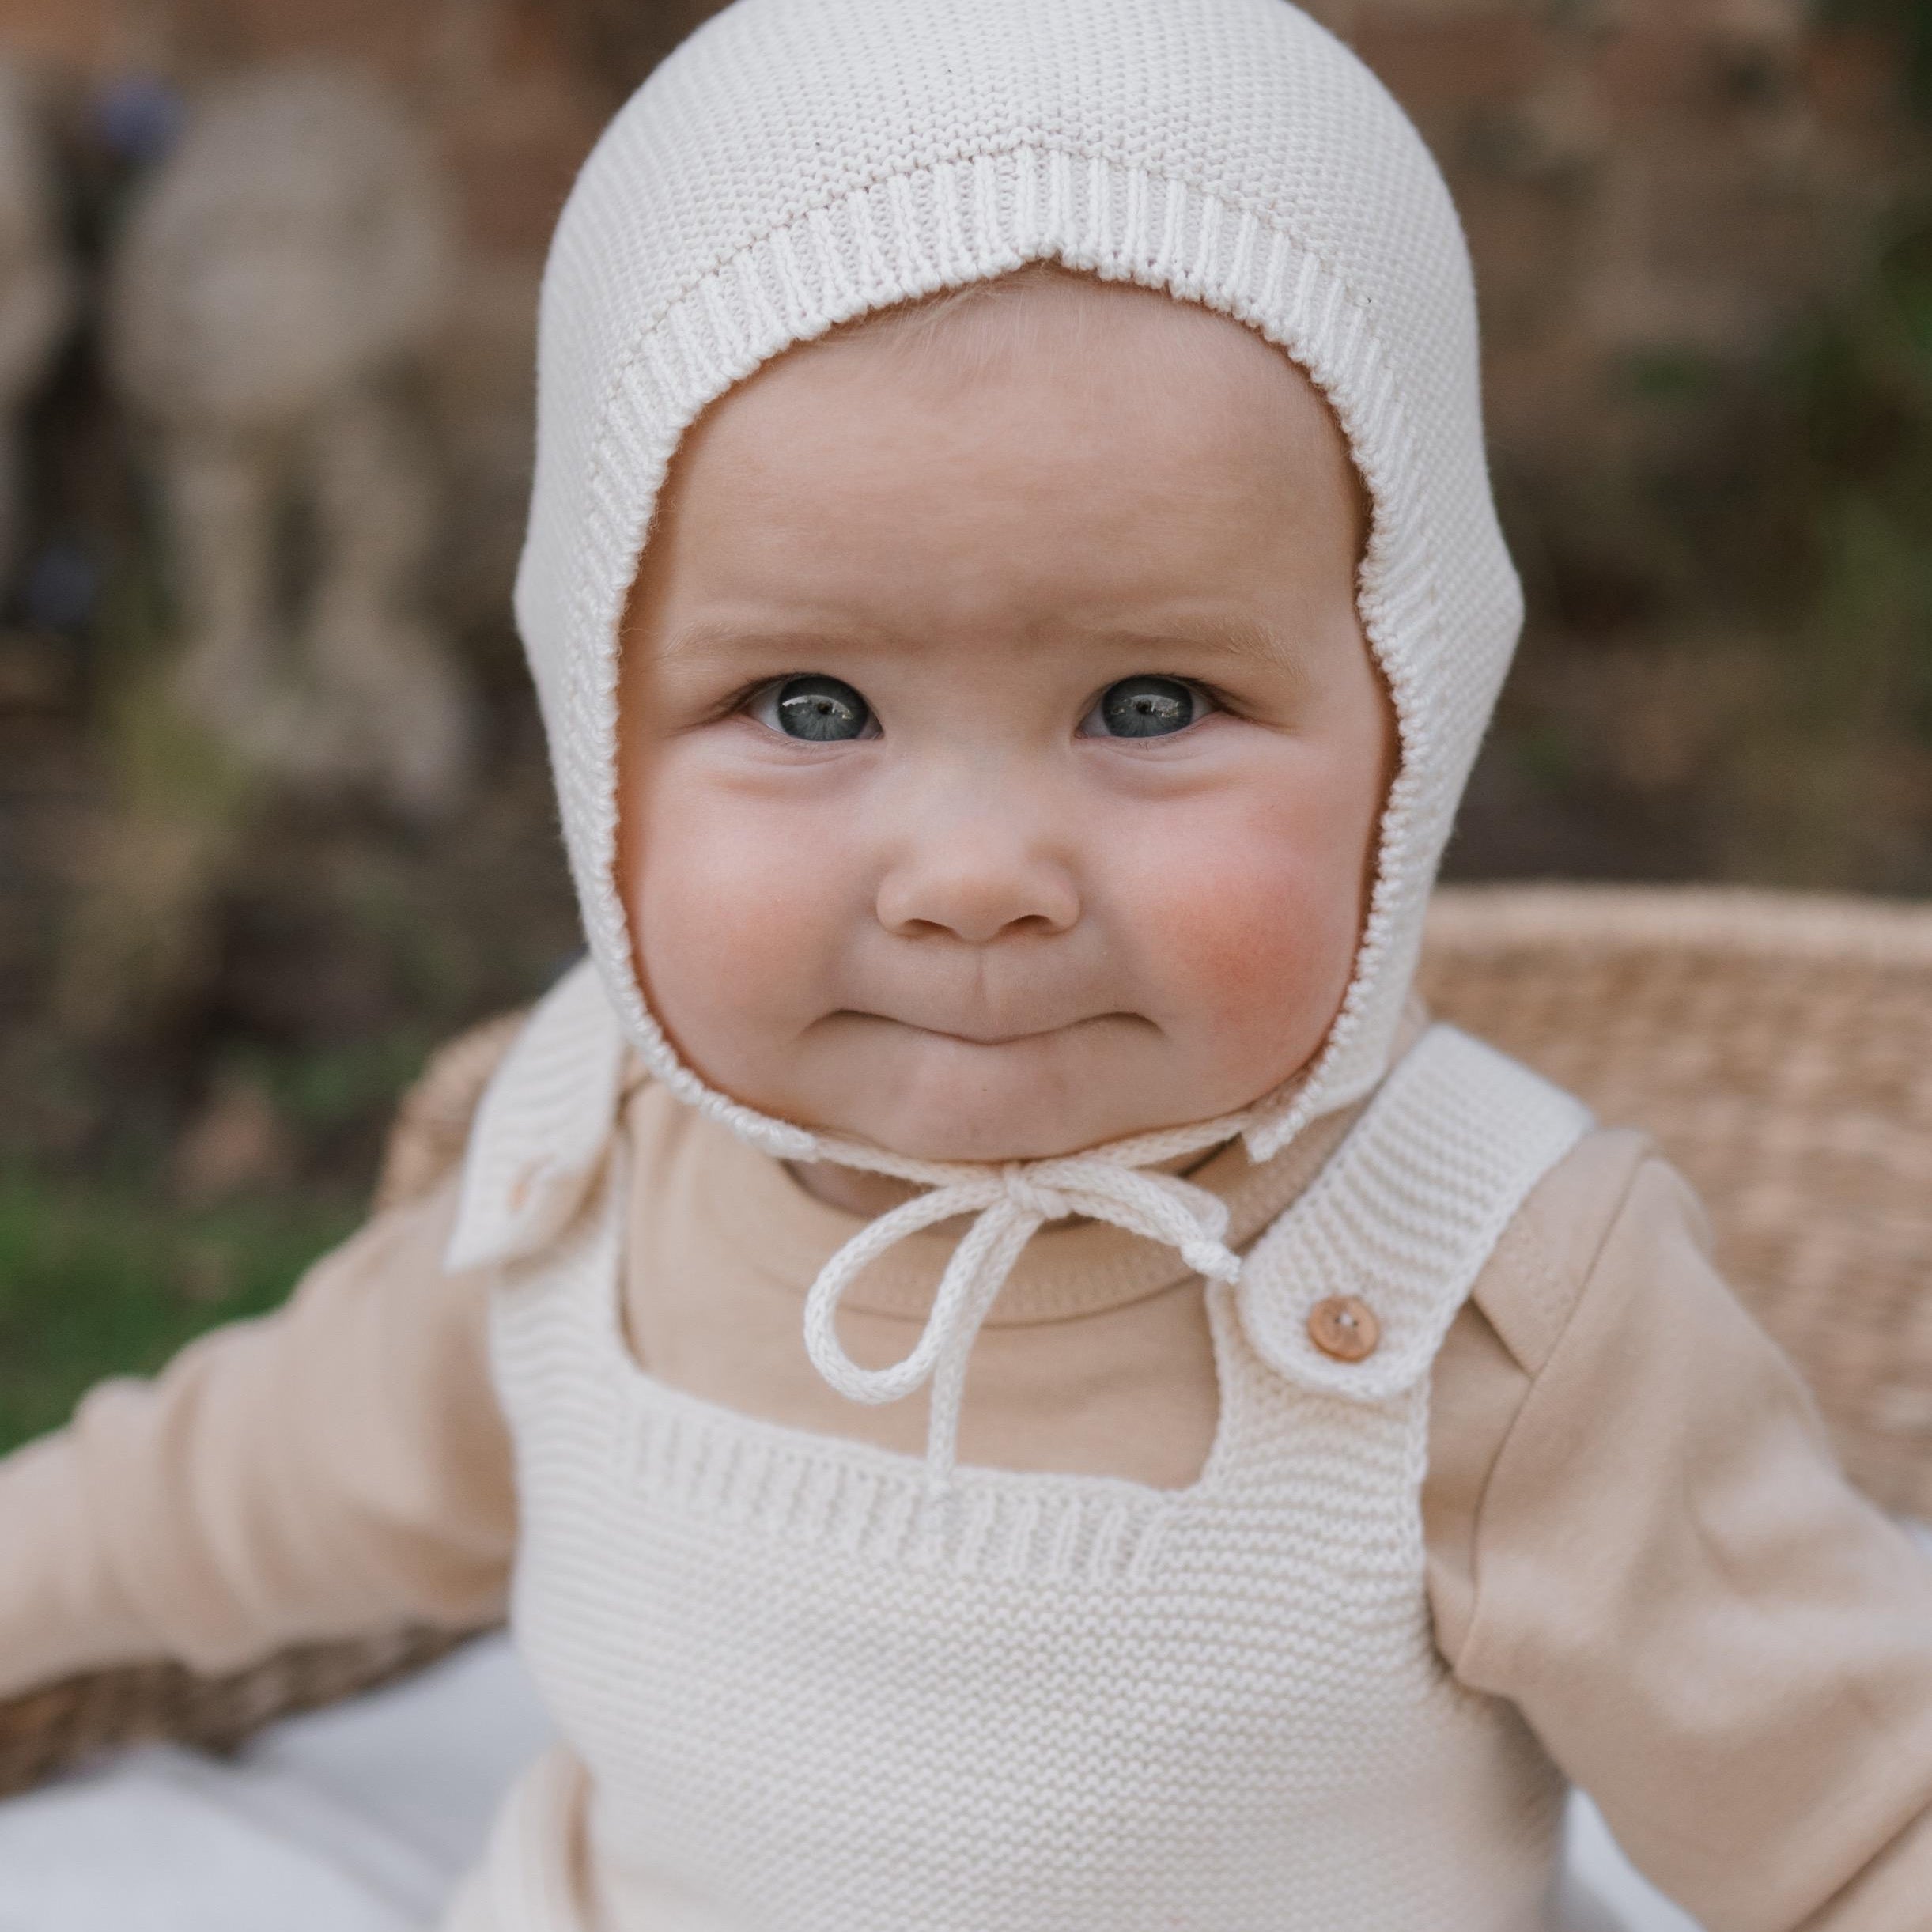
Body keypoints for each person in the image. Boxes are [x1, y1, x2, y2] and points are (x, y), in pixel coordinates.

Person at [5, 1, 1932, 1925]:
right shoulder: (585, 1170)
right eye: (812, 703)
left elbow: (1854, 1818)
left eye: (1151, 700)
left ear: (1408, 726)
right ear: (600, 736)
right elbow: (219, 1492)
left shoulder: (1499, 1311)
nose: (978, 876)